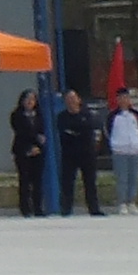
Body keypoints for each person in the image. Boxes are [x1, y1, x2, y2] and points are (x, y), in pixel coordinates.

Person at [59, 88, 104, 216]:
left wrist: (76, 131)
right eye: (68, 99)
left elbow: (88, 129)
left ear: (79, 100)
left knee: (90, 182)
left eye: (73, 99)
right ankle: (66, 209)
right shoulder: (62, 117)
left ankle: (94, 209)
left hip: (87, 154)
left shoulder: (87, 114)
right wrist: (78, 130)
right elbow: (64, 132)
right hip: (69, 154)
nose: (71, 102)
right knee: (67, 183)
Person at [8, 88, 46, 218]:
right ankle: (25, 208)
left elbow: (42, 131)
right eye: (27, 99)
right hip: (23, 150)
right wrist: (32, 144)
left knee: (38, 181)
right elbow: (21, 132)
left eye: (32, 99)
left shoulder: (40, 115)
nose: (30, 102)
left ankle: (38, 208)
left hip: (38, 151)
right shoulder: (16, 115)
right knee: (24, 180)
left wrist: (38, 145)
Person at [111, 93, 138, 214]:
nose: (124, 101)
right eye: (121, 98)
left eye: (126, 98)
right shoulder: (113, 116)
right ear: (118, 100)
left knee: (134, 177)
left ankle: (132, 202)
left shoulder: (135, 115)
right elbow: (108, 130)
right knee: (122, 178)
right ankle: (122, 203)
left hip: (134, 150)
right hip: (120, 150)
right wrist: (115, 143)